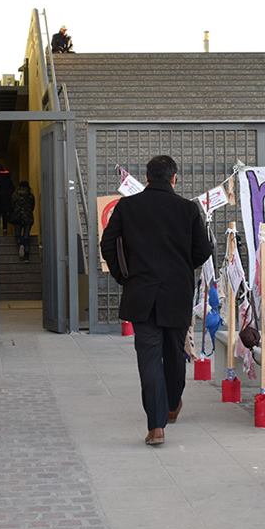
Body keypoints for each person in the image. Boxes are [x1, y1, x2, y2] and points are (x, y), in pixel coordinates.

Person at [100, 155, 212, 446]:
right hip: (177, 293)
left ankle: (156, 426)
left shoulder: (128, 206)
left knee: (149, 358)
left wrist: (124, 275)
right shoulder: (187, 209)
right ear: (174, 178)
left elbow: (107, 243)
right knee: (175, 354)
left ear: (147, 178)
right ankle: (173, 404)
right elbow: (203, 250)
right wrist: (183, 267)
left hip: (141, 293)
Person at [9, 181, 36, 261]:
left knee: (18, 234)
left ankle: (20, 244)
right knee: (26, 235)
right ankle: (26, 255)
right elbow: (32, 206)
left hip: (17, 216)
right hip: (27, 217)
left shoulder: (15, 195)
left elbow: (12, 205)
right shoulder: (30, 195)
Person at [0, 164, 15, 233]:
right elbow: (12, 188)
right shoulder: (7, 177)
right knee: (4, 214)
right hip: (6, 200)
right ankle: (5, 228)